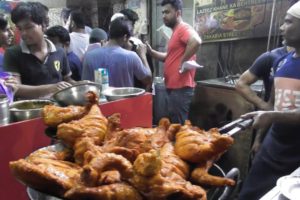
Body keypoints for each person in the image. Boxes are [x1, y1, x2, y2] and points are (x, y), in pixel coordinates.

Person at [238, 2, 300, 199]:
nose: (282, 28)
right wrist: (259, 140)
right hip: (274, 146)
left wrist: (270, 115)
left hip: (296, 154)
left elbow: (271, 113)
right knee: (249, 194)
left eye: (288, 22)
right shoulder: (282, 62)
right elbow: (272, 105)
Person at [3, 2, 75, 99]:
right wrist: (51, 88)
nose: (23, 33)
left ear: (44, 25)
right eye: (20, 28)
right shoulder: (13, 53)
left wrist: (81, 84)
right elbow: (16, 89)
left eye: (28, 27)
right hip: (29, 111)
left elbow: (67, 80)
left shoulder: (59, 52)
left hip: (58, 109)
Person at [146, 0, 202, 124]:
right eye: (162, 13)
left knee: (178, 126)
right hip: (174, 87)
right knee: (175, 124)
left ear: (178, 13)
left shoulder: (183, 28)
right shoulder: (176, 32)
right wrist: (151, 52)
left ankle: (182, 143)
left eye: (167, 12)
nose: (163, 16)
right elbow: (169, 57)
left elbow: (196, 41)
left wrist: (183, 61)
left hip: (180, 88)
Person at [235, 45, 290, 155]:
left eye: (287, 25)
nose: (282, 27)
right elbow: (241, 84)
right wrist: (264, 106)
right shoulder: (273, 57)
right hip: (274, 126)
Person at [82, 17, 151, 88]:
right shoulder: (131, 56)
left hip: (99, 99)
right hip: (125, 99)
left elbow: (85, 85)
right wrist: (143, 56)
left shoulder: (90, 56)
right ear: (125, 37)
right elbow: (148, 79)